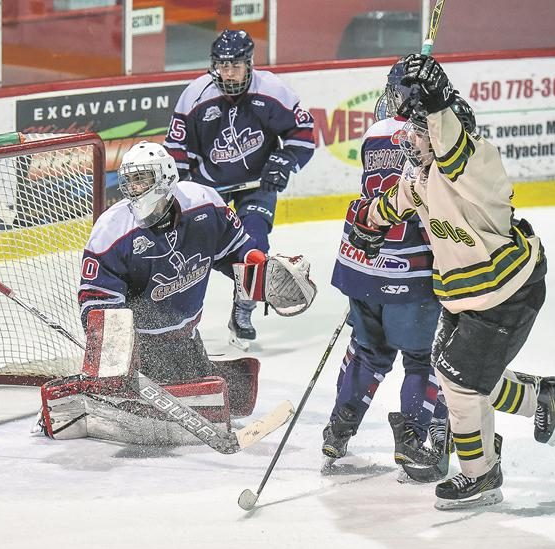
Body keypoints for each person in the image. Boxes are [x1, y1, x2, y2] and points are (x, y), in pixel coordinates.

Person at [347, 54, 555, 509]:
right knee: (457, 373)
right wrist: (368, 224)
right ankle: (541, 398)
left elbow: (448, 135)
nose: (410, 140)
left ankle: (481, 476)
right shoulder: (424, 176)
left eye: (419, 131)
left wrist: (432, 97)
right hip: (465, 296)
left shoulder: (476, 165)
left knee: (459, 382)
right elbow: (395, 203)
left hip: (507, 292)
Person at [53, 141, 315, 445]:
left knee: (216, 399)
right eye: (129, 180)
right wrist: (114, 353)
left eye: (142, 178)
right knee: (153, 419)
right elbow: (97, 299)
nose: (134, 188)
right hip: (141, 350)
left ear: (165, 177)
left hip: (187, 338)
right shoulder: (112, 231)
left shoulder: (204, 204)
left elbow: (236, 254)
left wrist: (261, 270)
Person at [323, 59, 449, 472]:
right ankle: (411, 437)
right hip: (410, 273)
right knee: (423, 357)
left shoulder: (374, 134)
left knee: (366, 353)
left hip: (362, 261)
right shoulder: (435, 138)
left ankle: (338, 430)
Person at [164, 29, 315, 350]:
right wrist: (180, 195)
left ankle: (242, 311)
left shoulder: (272, 90)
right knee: (191, 253)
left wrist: (285, 161)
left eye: (236, 65)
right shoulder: (195, 95)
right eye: (222, 65)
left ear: (250, 64)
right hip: (209, 186)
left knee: (255, 244)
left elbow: (302, 132)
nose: (228, 72)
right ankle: (182, 320)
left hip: (256, 183)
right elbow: (177, 149)